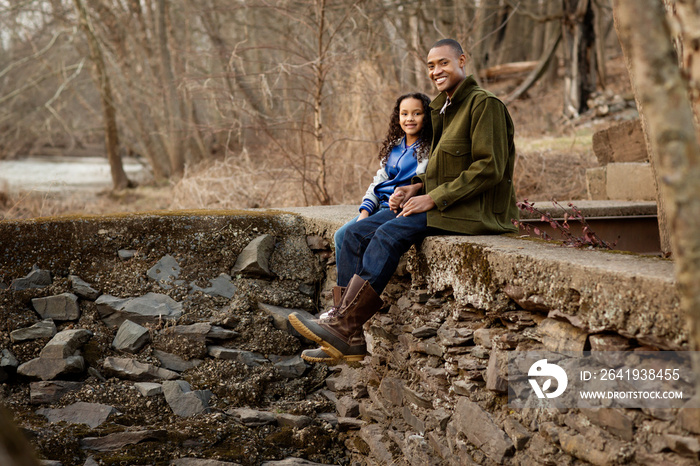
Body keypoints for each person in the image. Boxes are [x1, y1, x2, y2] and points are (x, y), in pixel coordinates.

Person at [290, 38, 519, 363]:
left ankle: (343, 326)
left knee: (386, 234)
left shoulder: (484, 105)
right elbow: (444, 168)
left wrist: (433, 198)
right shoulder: (444, 109)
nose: (436, 70)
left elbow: (488, 168)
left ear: (462, 61)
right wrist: (417, 187)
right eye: (431, 65)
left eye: (443, 63)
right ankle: (349, 335)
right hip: (443, 204)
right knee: (354, 234)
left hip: (470, 211)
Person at [333, 92, 433, 263]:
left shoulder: (428, 149)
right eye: (404, 114)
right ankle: (344, 289)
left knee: (357, 236)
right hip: (378, 207)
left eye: (417, 113)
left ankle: (353, 289)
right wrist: (364, 213)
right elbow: (378, 181)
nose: (410, 118)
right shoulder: (394, 147)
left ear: (426, 116)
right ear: (398, 117)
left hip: (399, 210)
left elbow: (424, 181)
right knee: (340, 236)